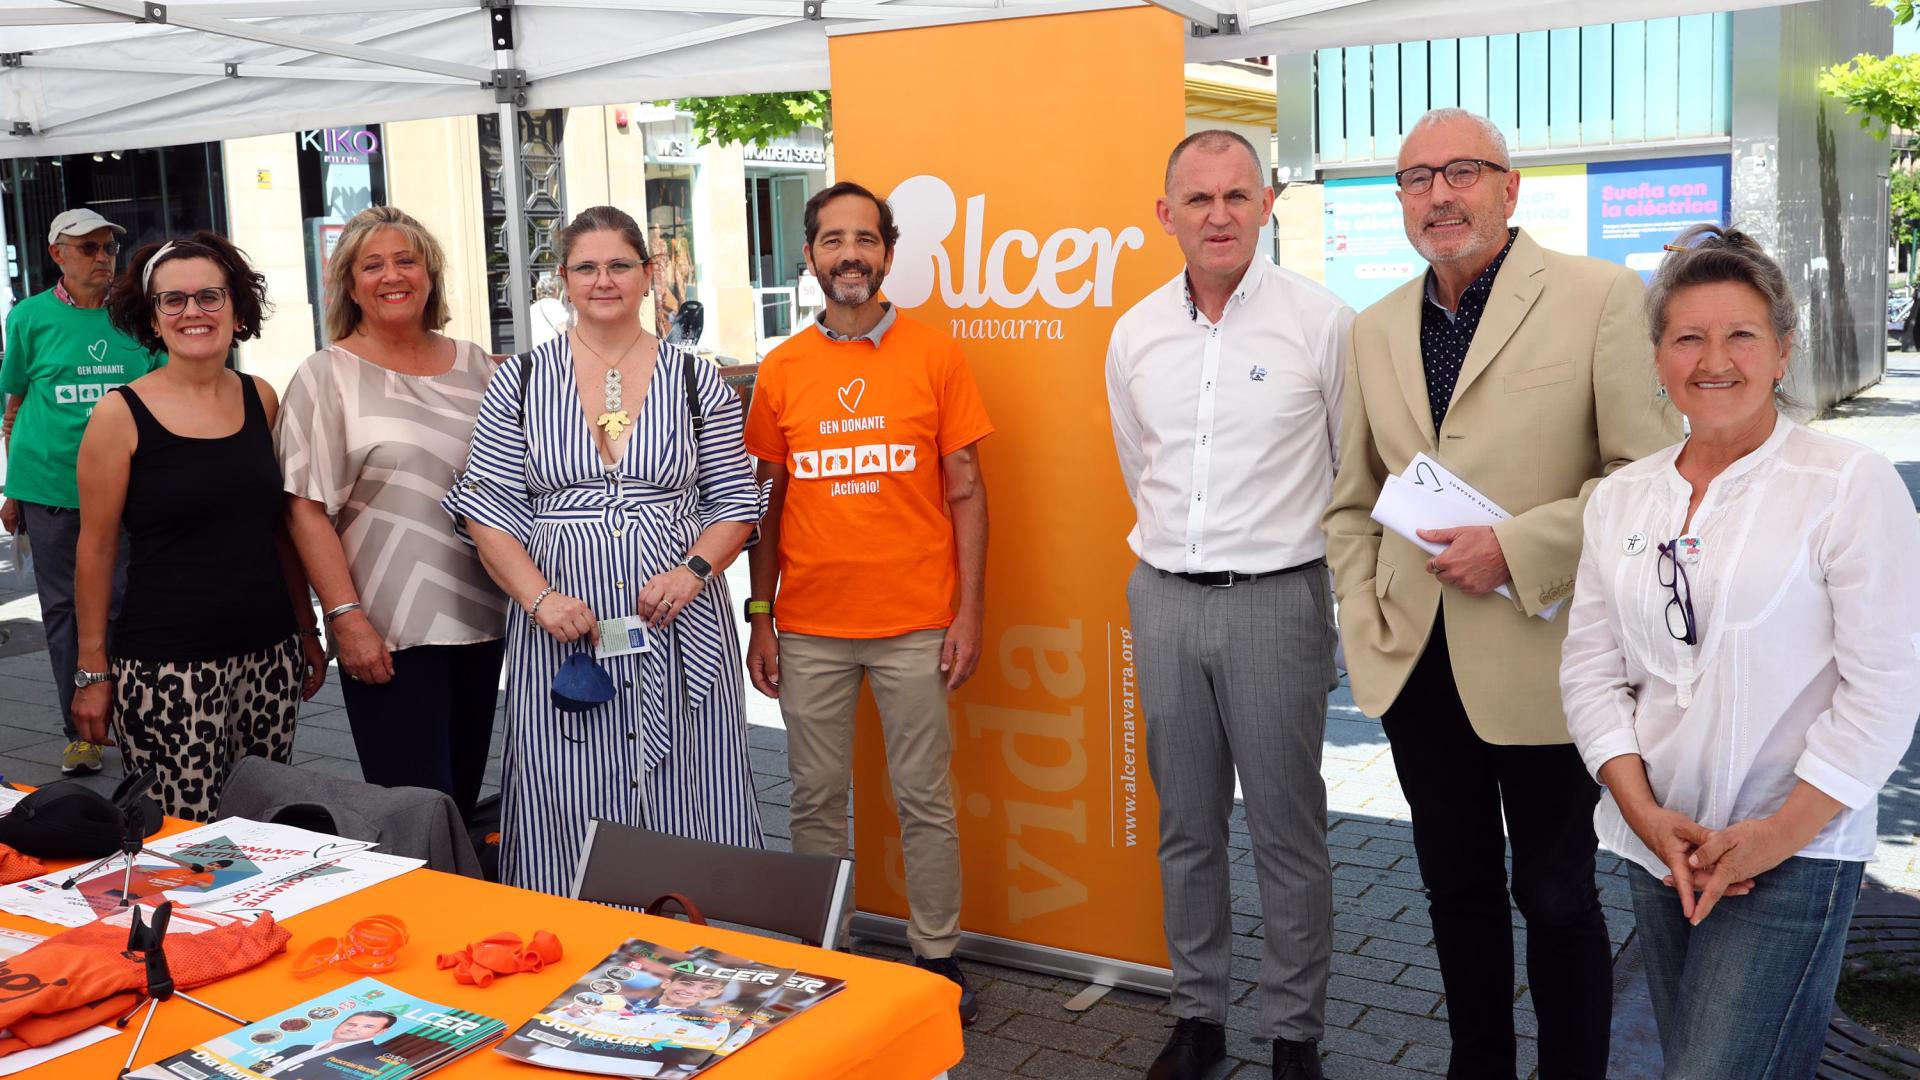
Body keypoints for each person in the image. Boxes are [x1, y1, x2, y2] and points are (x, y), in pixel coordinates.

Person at [1321, 107, 1679, 1080]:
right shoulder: (1374, 327)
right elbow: (1350, 499)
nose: (1440, 194)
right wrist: (1365, 626)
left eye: (1463, 171)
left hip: (1548, 657)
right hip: (1415, 662)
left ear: (1510, 187)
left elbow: (1649, 479)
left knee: (1559, 896)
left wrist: (1519, 548)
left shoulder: (1601, 296)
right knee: (1454, 892)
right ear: (1399, 201)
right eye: (1416, 178)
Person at [1561, 225, 1920, 1079]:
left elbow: (1885, 688)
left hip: (1794, 852)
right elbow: (1590, 669)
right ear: (1658, 357)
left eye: (1740, 335)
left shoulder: (1845, 485)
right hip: (1661, 845)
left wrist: (1774, 835)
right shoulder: (1621, 500)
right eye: (1688, 336)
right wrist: (1645, 816)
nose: (1712, 359)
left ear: (1783, 349)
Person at [1105, 130, 1347, 1080]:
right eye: (1197, 199)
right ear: (1166, 214)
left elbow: (1345, 469)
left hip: (1278, 602)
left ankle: (1296, 1036)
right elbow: (1143, 466)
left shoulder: (1321, 323)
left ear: (1267, 204)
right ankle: (1199, 1017)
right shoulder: (1135, 332)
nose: (1217, 215)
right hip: (1163, 600)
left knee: (1289, 830)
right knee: (1187, 826)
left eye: (1236, 196)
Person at [444, 205, 764, 895]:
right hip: (564, 631)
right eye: (586, 267)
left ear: (649, 276)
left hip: (677, 627)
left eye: (620, 265)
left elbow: (735, 502)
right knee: (568, 786)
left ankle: (701, 941)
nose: (603, 280)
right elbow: (486, 508)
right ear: (564, 280)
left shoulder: (692, 379)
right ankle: (576, 938)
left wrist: (692, 572)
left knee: (693, 785)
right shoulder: (521, 380)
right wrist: (540, 598)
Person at [743, 180, 992, 1025]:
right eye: (831, 240)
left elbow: (966, 490)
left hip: (917, 621)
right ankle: (824, 953)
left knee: (924, 797)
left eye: (865, 239)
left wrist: (968, 613)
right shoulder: (781, 369)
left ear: (887, 252)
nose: (849, 254)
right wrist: (762, 614)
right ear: (808, 256)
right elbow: (766, 506)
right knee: (814, 797)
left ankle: (938, 961)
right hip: (810, 626)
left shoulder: (935, 354)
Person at [71, 233, 326, 821]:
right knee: (182, 847)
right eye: (173, 301)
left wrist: (305, 628)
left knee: (264, 832)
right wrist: (92, 672)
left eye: (210, 297)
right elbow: (96, 548)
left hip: (268, 658)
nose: (193, 312)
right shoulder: (119, 414)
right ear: (153, 319)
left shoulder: (260, 398)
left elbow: (279, 528)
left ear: (237, 310)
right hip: (168, 671)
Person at [278, 206, 509, 822]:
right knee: (409, 812)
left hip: (485, 621)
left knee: (456, 802)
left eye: (405, 259)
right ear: (349, 286)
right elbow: (303, 509)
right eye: (371, 264)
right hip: (388, 634)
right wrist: (345, 619)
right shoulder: (327, 376)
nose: (391, 275)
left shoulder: (479, 367)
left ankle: (458, 915)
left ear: (429, 274)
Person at [0, 208, 159, 776]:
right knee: (63, 609)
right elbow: (13, 402)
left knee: (127, 604)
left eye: (108, 248)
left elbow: (166, 394)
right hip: (49, 488)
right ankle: (82, 731)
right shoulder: (29, 318)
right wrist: (13, 488)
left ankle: (135, 718)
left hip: (129, 489)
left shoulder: (137, 316)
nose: (101, 258)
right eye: (87, 248)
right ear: (57, 255)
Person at [259, 1011, 399, 1078]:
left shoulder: (375, 1059)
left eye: (367, 1026)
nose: (353, 1029)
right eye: (351, 1024)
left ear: (382, 1031)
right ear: (340, 1024)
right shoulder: (298, 1047)